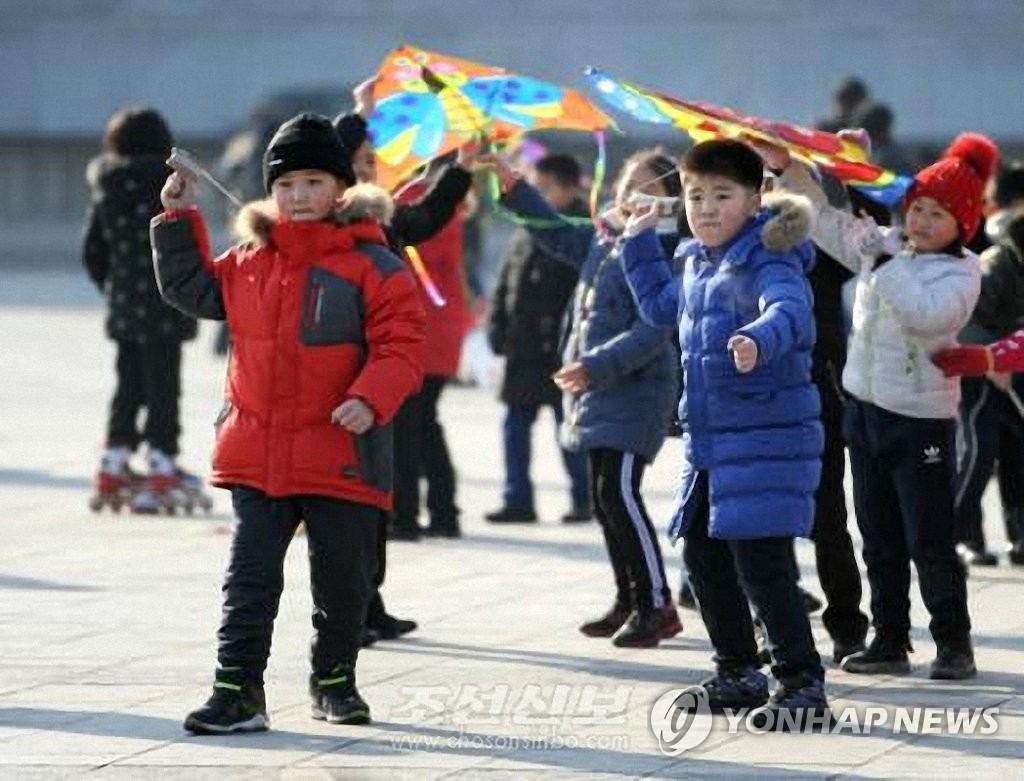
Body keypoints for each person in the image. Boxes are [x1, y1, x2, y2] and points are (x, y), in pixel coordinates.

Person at [151, 113, 426, 733]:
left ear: (340, 189)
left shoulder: (372, 264)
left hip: (341, 451)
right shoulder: (250, 259)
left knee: (342, 585)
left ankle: (334, 680)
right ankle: (238, 691)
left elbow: (403, 345)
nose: (299, 197)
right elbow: (194, 290)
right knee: (248, 582)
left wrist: (369, 398)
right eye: (286, 185)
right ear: (270, 191)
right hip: (260, 453)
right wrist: (177, 220)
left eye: (313, 182)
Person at [770, 131, 998, 680]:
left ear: (962, 224)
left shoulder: (964, 272)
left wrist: (880, 261)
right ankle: (889, 639)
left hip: (920, 424)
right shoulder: (888, 246)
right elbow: (821, 219)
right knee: (878, 538)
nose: (920, 221)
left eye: (937, 214)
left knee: (930, 540)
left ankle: (953, 642)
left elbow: (927, 316)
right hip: (866, 413)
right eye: (917, 208)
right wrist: (786, 168)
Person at [622, 139, 829, 728]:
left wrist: (758, 339)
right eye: (695, 197)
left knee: (763, 565)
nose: (707, 208)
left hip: (767, 436)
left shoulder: (770, 257)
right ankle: (737, 670)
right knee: (704, 557)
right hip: (713, 444)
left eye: (722, 195)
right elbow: (662, 308)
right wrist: (637, 245)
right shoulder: (697, 263)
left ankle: (801, 684)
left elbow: (788, 311)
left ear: (756, 197)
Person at [490, 148, 683, 648]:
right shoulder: (605, 239)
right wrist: (516, 187)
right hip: (597, 391)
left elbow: (654, 330)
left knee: (620, 495)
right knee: (603, 499)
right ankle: (629, 597)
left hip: (635, 391)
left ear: (669, 202)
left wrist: (596, 366)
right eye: (626, 184)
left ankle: (657, 603)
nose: (631, 195)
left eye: (648, 187)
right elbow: (553, 230)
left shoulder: (669, 251)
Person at [82, 105, 207, 515]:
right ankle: (161, 460)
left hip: (124, 307)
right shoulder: (169, 185)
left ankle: (113, 461)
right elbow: (188, 243)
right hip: (166, 306)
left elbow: (92, 251)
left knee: (128, 385)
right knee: (163, 386)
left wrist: (114, 289)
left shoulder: (107, 185)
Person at [486, 153, 592, 523]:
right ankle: (518, 498)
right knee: (514, 426)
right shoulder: (525, 230)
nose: (539, 195)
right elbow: (506, 282)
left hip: (562, 350)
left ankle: (584, 497)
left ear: (568, 189)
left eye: (544, 189)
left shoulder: (582, 231)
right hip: (523, 347)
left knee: (570, 430)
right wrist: (497, 324)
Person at [932, 181, 1024, 567]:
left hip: (1015, 370)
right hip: (979, 375)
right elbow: (967, 319)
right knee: (976, 454)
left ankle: (1020, 535)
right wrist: (992, 361)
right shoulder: (997, 264)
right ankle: (958, 536)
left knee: (1018, 456)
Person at [392, 157, 474, 539]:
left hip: (424, 326)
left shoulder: (413, 201)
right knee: (424, 424)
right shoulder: (449, 206)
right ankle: (443, 511)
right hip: (439, 326)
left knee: (410, 425)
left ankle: (406, 515)